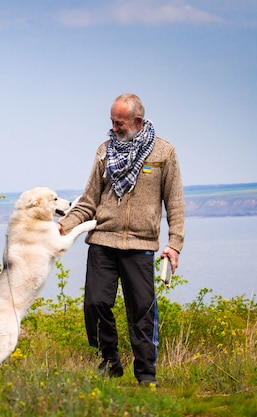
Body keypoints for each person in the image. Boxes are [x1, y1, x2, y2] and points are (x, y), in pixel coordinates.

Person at [57, 93, 185, 387]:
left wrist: (174, 244)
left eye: (119, 123)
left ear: (137, 122)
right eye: (112, 122)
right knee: (95, 304)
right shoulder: (104, 151)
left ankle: (146, 377)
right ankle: (110, 360)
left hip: (141, 246)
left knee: (142, 313)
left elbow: (175, 204)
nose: (113, 128)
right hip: (102, 241)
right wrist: (63, 227)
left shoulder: (164, 153)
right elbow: (88, 201)